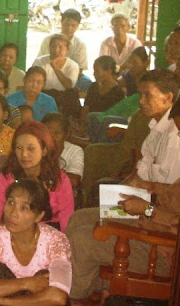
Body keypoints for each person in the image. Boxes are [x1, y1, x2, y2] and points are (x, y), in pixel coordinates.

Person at [66, 102, 180, 300]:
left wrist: (148, 209)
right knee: (78, 218)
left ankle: (75, 298)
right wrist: (152, 187)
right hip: (152, 226)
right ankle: (92, 288)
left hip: (164, 251)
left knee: (82, 240)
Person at [0, 179, 71, 305]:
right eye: (10, 203)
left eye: (24, 208)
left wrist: (4, 301)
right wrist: (26, 283)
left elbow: (58, 296)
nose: (13, 214)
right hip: (14, 296)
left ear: (39, 216)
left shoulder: (55, 240)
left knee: (45, 276)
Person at [0, 121, 75, 231]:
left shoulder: (60, 180)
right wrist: (11, 235)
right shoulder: (8, 177)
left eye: (31, 148)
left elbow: (67, 224)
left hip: (49, 235)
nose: (24, 154)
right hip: (12, 232)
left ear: (44, 150)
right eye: (19, 148)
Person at [122, 69, 180, 186]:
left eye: (147, 95)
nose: (141, 101)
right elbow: (139, 174)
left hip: (160, 202)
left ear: (167, 98)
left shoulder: (175, 135)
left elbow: (171, 194)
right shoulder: (154, 127)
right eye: (140, 95)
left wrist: (145, 205)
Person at [38, 8, 90, 91]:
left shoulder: (80, 45)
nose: (69, 28)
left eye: (73, 25)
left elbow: (80, 70)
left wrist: (65, 76)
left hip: (72, 74)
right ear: (61, 22)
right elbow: (41, 61)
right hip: (48, 72)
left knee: (87, 82)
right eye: (67, 24)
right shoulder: (48, 40)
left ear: (78, 26)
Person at [32, 34, 81, 118]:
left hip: (65, 98)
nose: (56, 50)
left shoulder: (73, 65)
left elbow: (69, 86)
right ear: (49, 47)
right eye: (53, 46)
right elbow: (34, 81)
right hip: (44, 95)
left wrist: (55, 67)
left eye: (60, 47)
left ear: (67, 50)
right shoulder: (39, 62)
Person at [80, 56, 125, 136]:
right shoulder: (93, 87)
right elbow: (85, 109)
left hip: (107, 130)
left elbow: (116, 115)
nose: (94, 74)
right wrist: (82, 127)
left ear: (109, 71)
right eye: (94, 71)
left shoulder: (118, 92)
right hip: (90, 126)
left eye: (97, 71)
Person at [42, 112, 84, 192]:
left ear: (66, 134)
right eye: (48, 133)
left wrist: (46, 176)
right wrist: (62, 175)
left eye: (57, 133)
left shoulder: (75, 151)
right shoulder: (37, 149)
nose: (52, 137)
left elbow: (74, 181)